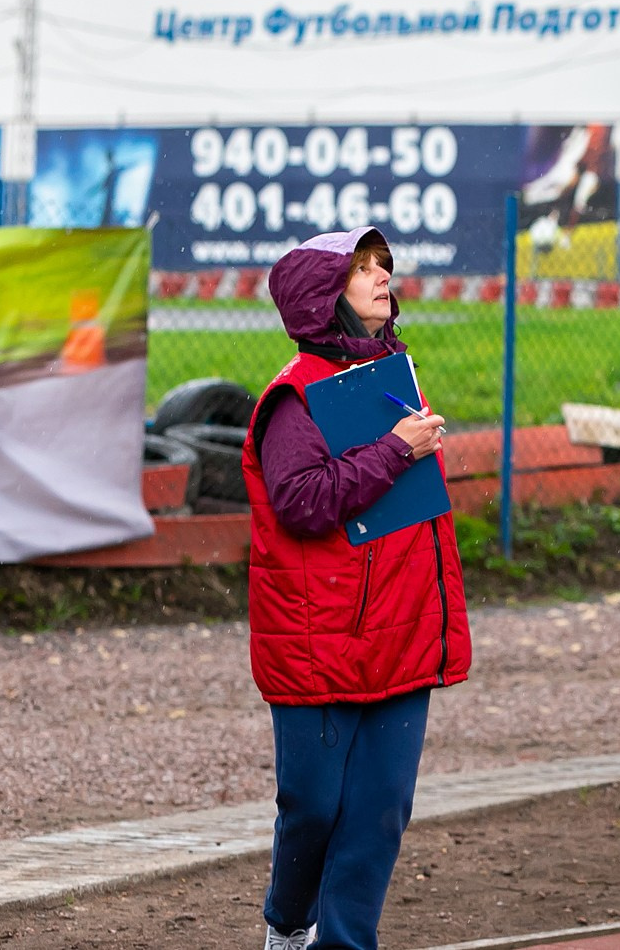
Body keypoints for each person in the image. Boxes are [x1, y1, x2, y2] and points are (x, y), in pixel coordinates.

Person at [241, 226, 471, 950]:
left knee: (378, 811)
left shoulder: (396, 379)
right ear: (322, 295)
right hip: (320, 642)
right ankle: (286, 924)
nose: (381, 276)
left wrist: (405, 449)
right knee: (312, 806)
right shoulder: (291, 399)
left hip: (401, 634)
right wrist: (398, 449)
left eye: (383, 266)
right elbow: (304, 502)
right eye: (361, 267)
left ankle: (343, 943)